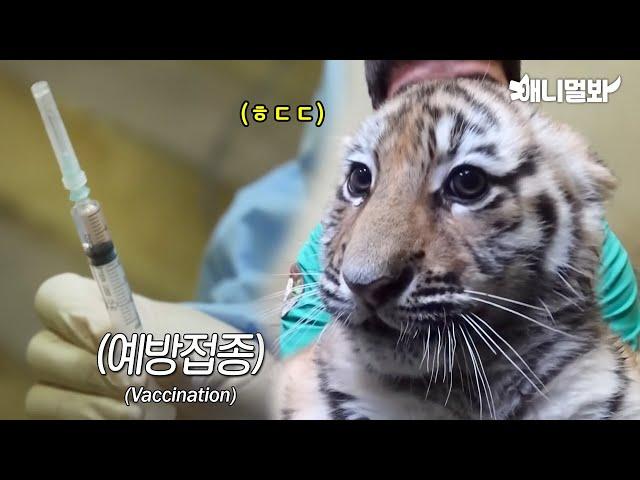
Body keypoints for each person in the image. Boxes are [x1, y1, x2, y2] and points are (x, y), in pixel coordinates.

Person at [24, 60, 639, 420]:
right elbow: (284, 368)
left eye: (468, 179)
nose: (371, 266)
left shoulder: (587, 240)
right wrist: (183, 360)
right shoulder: (331, 241)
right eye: (367, 178)